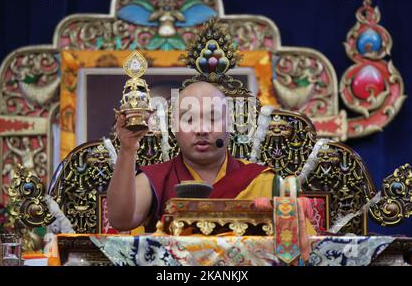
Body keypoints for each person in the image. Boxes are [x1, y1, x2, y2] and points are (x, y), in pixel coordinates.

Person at [107, 81, 315, 238]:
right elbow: (121, 220)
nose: (202, 130)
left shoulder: (264, 182)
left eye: (213, 119)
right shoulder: (156, 179)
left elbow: (302, 245)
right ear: (174, 128)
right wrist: (127, 149)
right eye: (189, 119)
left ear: (230, 125)